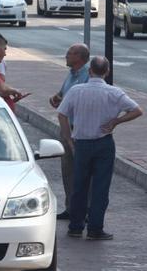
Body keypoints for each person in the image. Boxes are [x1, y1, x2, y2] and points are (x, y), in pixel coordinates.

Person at [58, 56, 143, 240]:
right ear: (107, 72)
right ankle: (95, 227)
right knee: (100, 187)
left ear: (90, 71)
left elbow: (62, 114)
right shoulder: (114, 92)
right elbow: (137, 110)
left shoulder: (76, 91)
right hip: (104, 142)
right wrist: (116, 121)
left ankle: (75, 226)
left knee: (79, 186)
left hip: (81, 142)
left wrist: (69, 138)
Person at [49, 43, 91, 220]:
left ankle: (86, 210)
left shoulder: (87, 76)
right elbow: (62, 94)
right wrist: (56, 98)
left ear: (80, 57)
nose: (66, 55)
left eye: (70, 53)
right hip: (67, 127)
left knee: (84, 170)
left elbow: (86, 101)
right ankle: (71, 207)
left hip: (80, 129)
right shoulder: (71, 74)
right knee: (68, 169)